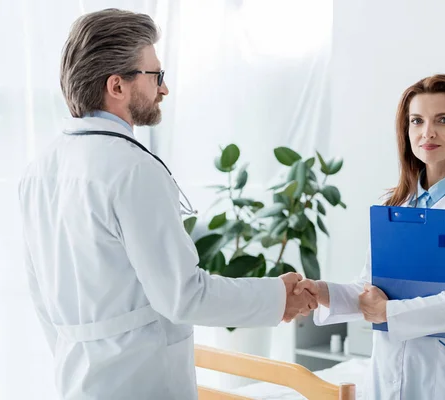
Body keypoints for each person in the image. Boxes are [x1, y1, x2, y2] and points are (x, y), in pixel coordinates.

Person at [18, 9, 316, 400]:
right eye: (155, 75)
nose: (164, 88)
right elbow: (183, 296)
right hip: (141, 381)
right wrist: (278, 298)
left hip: (76, 380)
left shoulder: (38, 169)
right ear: (117, 86)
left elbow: (41, 297)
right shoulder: (131, 168)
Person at [296, 74, 445, 399]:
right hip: (389, 362)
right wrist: (322, 291)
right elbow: (370, 289)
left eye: (444, 120)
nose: (428, 132)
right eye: (417, 121)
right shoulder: (392, 204)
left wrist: (387, 313)